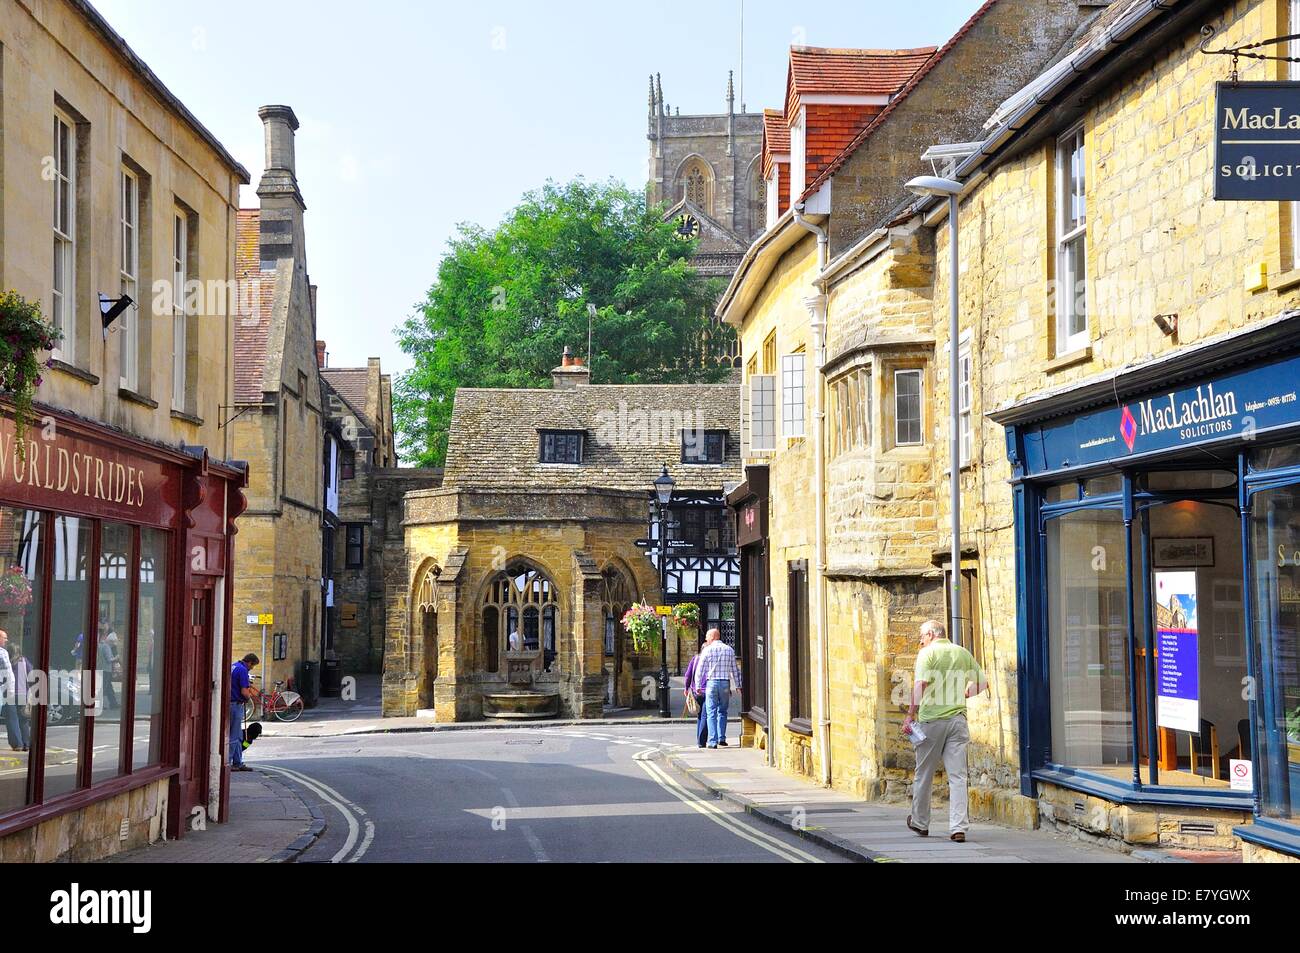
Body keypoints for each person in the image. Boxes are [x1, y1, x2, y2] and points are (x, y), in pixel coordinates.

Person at [903, 619, 988, 843]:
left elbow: (920, 685)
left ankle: (920, 823)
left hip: (932, 721)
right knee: (958, 776)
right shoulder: (962, 652)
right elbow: (982, 683)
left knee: (924, 773)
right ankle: (958, 828)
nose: (920, 641)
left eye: (922, 636)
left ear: (931, 634)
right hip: (958, 721)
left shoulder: (927, 654)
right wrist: (965, 695)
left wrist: (910, 714)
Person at [696, 627, 741, 749]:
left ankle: (712, 741)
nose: (706, 639)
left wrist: (698, 685)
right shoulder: (729, 650)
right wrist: (738, 685)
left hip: (711, 684)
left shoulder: (707, 650)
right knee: (723, 711)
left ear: (713, 637)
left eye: (707, 636)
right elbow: (735, 670)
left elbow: (700, 670)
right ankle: (722, 738)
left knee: (711, 712)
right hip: (725, 684)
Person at [229, 653, 260, 772]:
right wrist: (247, 699)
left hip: (230, 703)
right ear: (249, 662)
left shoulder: (234, 666)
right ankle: (229, 762)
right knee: (234, 736)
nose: (251, 668)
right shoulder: (243, 670)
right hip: (236, 704)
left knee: (239, 736)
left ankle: (238, 762)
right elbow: (244, 692)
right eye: (252, 666)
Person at [0, 630, 23, 751]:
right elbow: (8, 673)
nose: (6, 640)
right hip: (5, 690)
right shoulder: (2, 652)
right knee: (12, 717)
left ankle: (17, 743)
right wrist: (11, 690)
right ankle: (17, 743)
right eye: (4, 638)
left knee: (12, 716)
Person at [681, 649, 708, 748]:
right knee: (705, 715)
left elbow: (688, 675)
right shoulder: (710, 659)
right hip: (707, 690)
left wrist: (686, 688)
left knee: (700, 715)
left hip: (696, 691)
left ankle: (699, 741)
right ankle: (701, 741)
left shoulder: (695, 658)